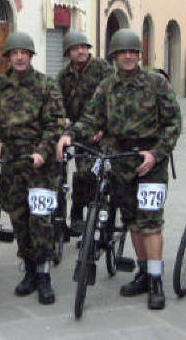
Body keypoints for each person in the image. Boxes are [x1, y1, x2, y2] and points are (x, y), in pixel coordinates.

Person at [57, 28, 181, 310]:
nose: (128, 56)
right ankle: (143, 272)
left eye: (133, 52)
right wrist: (70, 136)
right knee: (132, 220)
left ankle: (156, 281)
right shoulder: (106, 87)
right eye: (122, 52)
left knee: (150, 223)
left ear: (139, 55)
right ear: (114, 56)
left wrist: (156, 153)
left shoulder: (156, 83)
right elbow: (90, 119)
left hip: (151, 162)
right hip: (119, 160)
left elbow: (173, 124)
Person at [0, 31, 65, 305]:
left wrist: (42, 152)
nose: (19, 57)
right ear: (7, 57)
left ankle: (43, 275)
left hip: (39, 163)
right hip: (11, 162)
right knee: (19, 219)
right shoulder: (0, 86)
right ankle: (29, 270)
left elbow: (56, 123)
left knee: (40, 220)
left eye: (24, 53)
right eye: (14, 53)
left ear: (31, 56)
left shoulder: (46, 85)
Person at [57, 31, 113, 236]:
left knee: (101, 174)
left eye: (84, 47)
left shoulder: (102, 69)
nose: (81, 51)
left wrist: (103, 128)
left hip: (102, 131)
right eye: (75, 48)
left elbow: (112, 99)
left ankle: (103, 220)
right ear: (68, 52)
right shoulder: (64, 76)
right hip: (79, 132)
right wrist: (63, 124)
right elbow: (58, 103)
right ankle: (77, 211)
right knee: (82, 173)